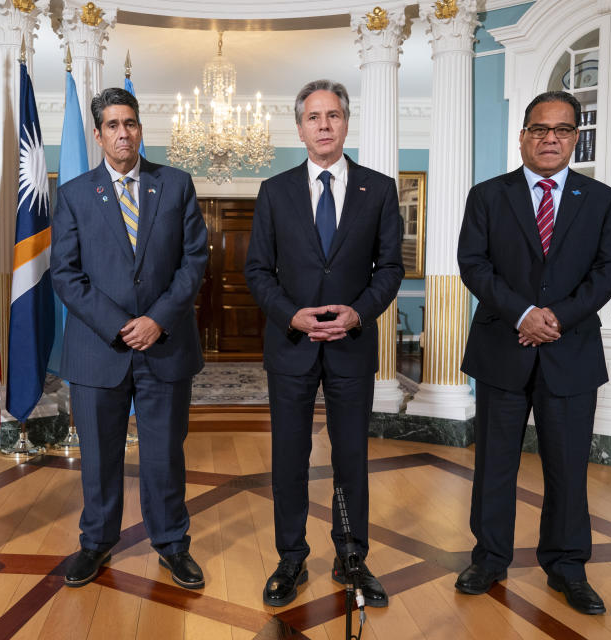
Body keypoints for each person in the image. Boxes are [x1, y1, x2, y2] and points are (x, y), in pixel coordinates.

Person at [455, 90, 611, 615]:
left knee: (568, 467)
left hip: (570, 351)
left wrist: (557, 319)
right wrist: (523, 314)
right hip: (502, 349)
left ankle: (568, 567)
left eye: (562, 130)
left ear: (575, 137)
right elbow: (473, 263)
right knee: (494, 466)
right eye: (539, 129)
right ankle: (489, 558)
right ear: (523, 135)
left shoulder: (600, 199)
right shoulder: (488, 195)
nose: (550, 138)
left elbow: (609, 268)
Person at [244, 79, 403, 607]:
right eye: (314, 117)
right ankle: (291, 558)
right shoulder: (275, 191)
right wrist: (293, 315)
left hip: (351, 344)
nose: (324, 125)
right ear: (299, 127)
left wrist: (358, 312)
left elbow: (391, 268)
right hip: (291, 344)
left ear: (346, 122)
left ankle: (351, 555)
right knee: (290, 457)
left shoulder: (378, 189)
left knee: (352, 455)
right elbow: (258, 270)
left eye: (333, 115)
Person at [50, 88, 208, 590]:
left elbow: (194, 262)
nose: (124, 133)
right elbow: (66, 274)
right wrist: (121, 325)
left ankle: (172, 545)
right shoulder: (74, 194)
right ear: (98, 135)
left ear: (141, 129)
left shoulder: (176, 185)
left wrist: (157, 319)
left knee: (164, 454)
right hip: (101, 348)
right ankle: (95, 543)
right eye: (113, 125)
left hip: (165, 345)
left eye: (131, 123)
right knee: (99, 456)